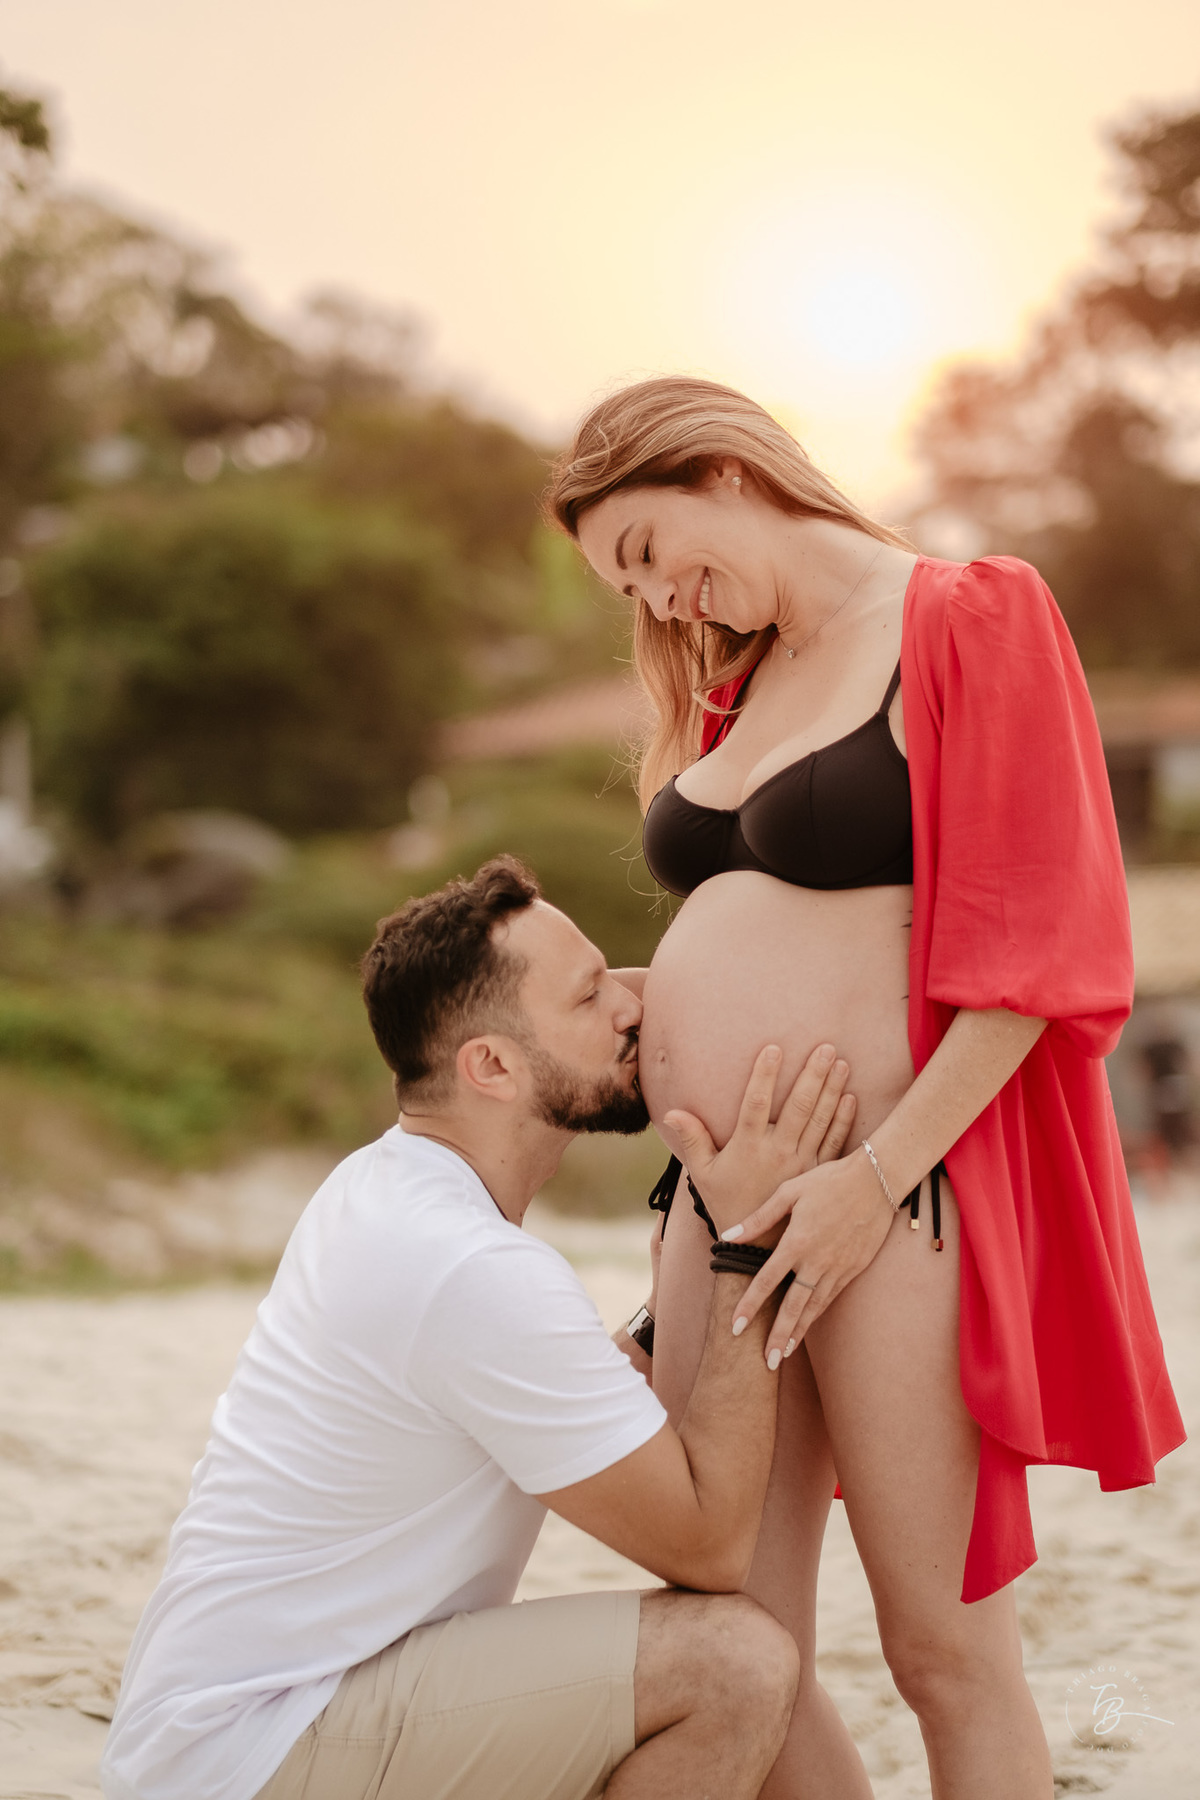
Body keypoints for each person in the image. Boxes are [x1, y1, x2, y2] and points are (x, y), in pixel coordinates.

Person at [548, 376, 1186, 1800]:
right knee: (740, 1641)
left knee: (943, 1654)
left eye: (647, 553)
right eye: (627, 590)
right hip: (713, 1199)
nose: (658, 604)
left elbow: (1041, 954)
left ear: (720, 470)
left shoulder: (967, 616)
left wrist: (870, 1181)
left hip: (898, 1199)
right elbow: (772, 930)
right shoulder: (740, 680)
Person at [101, 855, 859, 1800]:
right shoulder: (468, 1269)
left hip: (235, 1728)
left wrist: (677, 1296)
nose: (630, 1005)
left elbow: (567, 1397)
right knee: (732, 1665)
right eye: (588, 997)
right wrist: (740, 1247)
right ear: (491, 1066)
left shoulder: (388, 1191)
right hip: (260, 1748)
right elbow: (708, 1545)